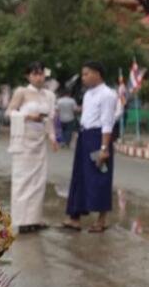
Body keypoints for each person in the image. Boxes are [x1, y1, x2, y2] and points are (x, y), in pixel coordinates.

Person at [63, 61, 118, 233]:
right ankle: (75, 217)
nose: (83, 77)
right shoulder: (87, 94)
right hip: (84, 137)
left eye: (86, 74)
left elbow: (107, 122)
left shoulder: (108, 94)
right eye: (83, 74)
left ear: (97, 74)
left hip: (98, 138)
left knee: (100, 176)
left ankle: (101, 220)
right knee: (79, 176)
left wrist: (104, 148)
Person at [7, 62, 59, 234]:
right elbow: (9, 112)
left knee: (38, 182)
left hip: (40, 142)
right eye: (35, 74)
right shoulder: (21, 92)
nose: (38, 77)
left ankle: (34, 219)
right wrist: (28, 116)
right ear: (28, 76)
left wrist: (53, 138)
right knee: (23, 181)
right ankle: (22, 221)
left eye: (41, 74)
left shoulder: (49, 95)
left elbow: (50, 119)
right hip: (24, 142)